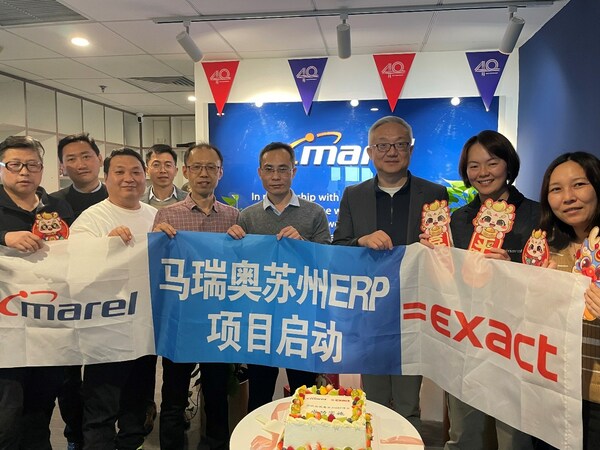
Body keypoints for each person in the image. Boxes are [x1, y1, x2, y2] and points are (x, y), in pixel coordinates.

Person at [332, 116, 448, 431]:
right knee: (374, 402)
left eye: (399, 144)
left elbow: (445, 250)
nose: (392, 152)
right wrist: (361, 240)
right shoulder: (354, 195)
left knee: (409, 404)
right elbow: (339, 247)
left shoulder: (434, 193)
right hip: (370, 312)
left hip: (415, 310)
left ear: (411, 149)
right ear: (370, 152)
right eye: (382, 145)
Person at [442, 130, 537, 449]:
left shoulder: (537, 215)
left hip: (517, 341)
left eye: (492, 162)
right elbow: (447, 279)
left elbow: (549, 276)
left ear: (508, 164)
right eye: (474, 166)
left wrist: (511, 266)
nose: (483, 172)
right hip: (467, 338)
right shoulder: (457, 220)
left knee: (514, 437)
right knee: (463, 434)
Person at [227, 141, 330, 411]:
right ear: (260, 172)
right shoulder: (247, 216)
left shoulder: (315, 213)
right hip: (261, 319)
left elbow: (327, 262)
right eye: (269, 169)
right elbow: (239, 268)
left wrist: (303, 243)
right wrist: (233, 243)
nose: (276, 176)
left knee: (303, 394)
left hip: (301, 318)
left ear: (294, 171)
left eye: (283, 169)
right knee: (259, 394)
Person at [153, 143, 239, 450]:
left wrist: (242, 242)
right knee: (174, 395)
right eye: (197, 167)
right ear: (186, 172)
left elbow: (241, 268)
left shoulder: (233, 216)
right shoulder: (167, 215)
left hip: (217, 320)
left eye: (211, 168)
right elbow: (156, 269)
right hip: (180, 322)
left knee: (216, 394)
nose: (204, 174)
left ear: (220, 173)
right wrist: (157, 240)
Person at [70, 147, 157, 450]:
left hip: (145, 330)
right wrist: (105, 245)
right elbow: (73, 264)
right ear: (106, 178)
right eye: (119, 172)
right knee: (101, 410)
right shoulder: (92, 218)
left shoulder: (155, 216)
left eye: (135, 172)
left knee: (137, 406)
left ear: (145, 177)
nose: (128, 178)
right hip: (106, 332)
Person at [0, 135, 74, 449]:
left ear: (42, 169)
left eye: (32, 165)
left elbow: (76, 252)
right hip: (6, 329)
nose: (24, 172)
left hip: (48, 325)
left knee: (40, 409)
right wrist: (5, 237)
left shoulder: (57, 207)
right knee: (7, 412)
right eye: (14, 165)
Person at [538, 151, 600, 449]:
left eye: (579, 184)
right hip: (554, 392)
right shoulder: (547, 249)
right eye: (556, 189)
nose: (568, 197)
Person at [52, 132, 108, 450]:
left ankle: (107, 435)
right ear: (62, 166)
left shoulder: (119, 197)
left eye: (86, 156)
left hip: (112, 305)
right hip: (68, 304)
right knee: (68, 378)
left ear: (99, 159)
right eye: (70, 159)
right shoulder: (51, 205)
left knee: (109, 376)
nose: (80, 163)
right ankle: (75, 436)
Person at [142, 144, 186, 209]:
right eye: (156, 165)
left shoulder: (189, 200)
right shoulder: (137, 201)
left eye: (168, 165)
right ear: (147, 170)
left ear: (176, 171)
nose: (163, 170)